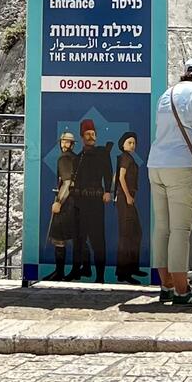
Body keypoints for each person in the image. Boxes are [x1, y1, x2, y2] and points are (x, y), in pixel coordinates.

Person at [149, 54, 192, 307]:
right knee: (180, 230)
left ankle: (166, 286)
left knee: (162, 228)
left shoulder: (167, 94)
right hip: (181, 167)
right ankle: (182, 291)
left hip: (156, 164)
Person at [72, 118, 114, 281]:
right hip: (80, 202)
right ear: (82, 136)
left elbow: (108, 174)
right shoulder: (78, 158)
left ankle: (100, 276)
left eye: (93, 133)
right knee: (79, 238)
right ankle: (81, 270)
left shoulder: (102, 153)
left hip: (96, 202)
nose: (91, 136)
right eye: (87, 134)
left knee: (98, 239)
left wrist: (108, 191)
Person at [47, 128, 79, 279]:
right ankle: (72, 271)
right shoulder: (76, 158)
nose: (64, 144)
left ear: (72, 144)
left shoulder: (64, 158)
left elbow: (67, 183)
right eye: (63, 141)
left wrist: (59, 202)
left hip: (67, 202)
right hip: (77, 202)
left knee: (59, 238)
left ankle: (59, 272)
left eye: (67, 142)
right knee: (76, 237)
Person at [114, 131, 144, 282]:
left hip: (128, 198)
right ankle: (123, 273)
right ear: (123, 144)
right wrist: (127, 196)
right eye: (129, 142)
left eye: (134, 143)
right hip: (125, 199)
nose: (132, 145)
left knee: (135, 232)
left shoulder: (127, 158)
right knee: (126, 235)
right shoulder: (125, 158)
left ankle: (133, 267)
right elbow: (121, 177)